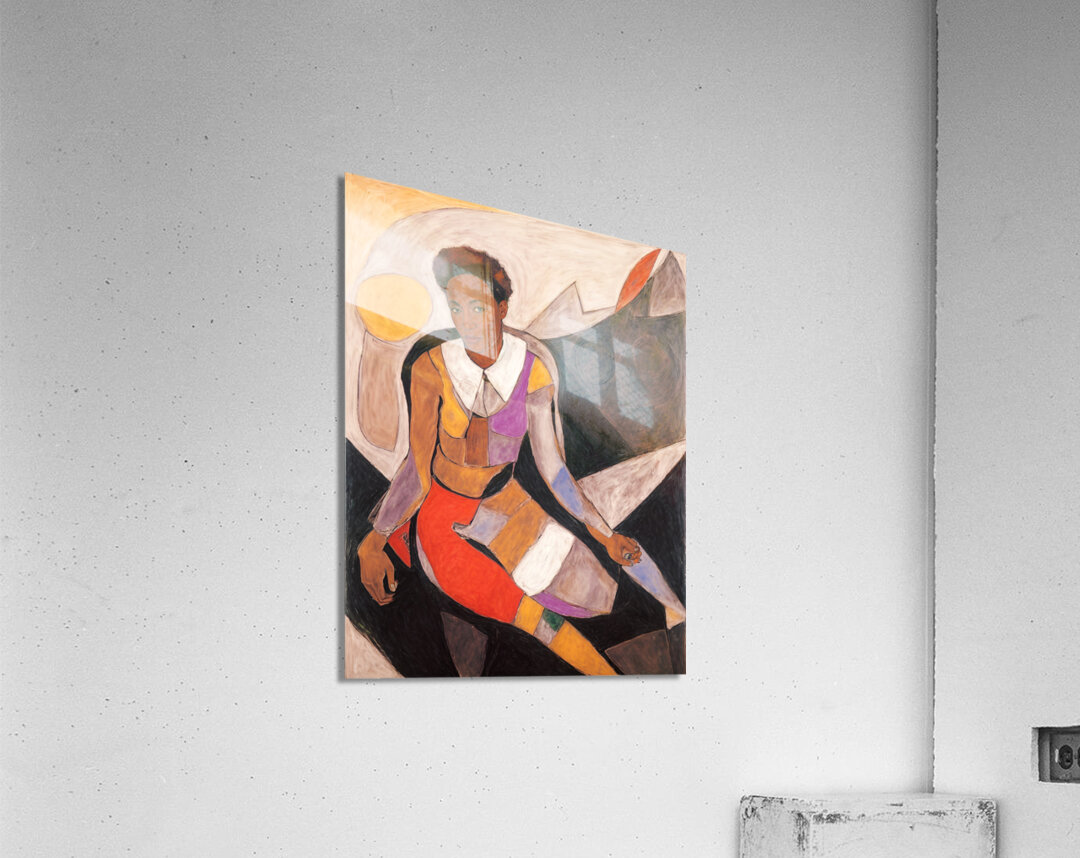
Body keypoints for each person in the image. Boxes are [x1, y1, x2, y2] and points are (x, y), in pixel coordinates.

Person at [357, 246, 684, 675]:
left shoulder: (533, 371)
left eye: (477, 306)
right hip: (444, 522)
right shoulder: (430, 369)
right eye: (456, 306)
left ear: (502, 307)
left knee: (600, 595)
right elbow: (416, 471)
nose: (465, 320)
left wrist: (605, 536)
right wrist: (376, 538)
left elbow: (554, 471)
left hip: (508, 504)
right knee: (539, 622)